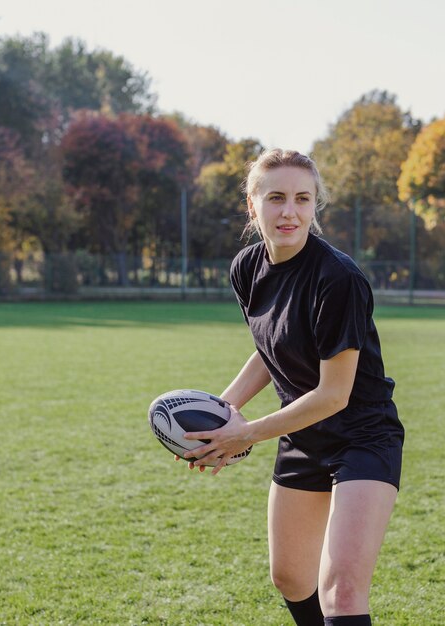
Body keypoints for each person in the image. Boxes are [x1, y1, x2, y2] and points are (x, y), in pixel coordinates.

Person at [181, 149, 405, 626]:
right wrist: (223, 411)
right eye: (276, 197)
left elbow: (334, 394)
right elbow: (273, 348)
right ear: (252, 204)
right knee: (290, 579)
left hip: (363, 437)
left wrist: (244, 433)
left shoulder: (338, 278)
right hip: (304, 437)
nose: (290, 212)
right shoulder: (247, 268)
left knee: (341, 593)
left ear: (315, 206)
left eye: (303, 199)